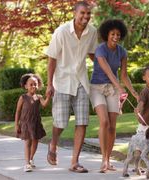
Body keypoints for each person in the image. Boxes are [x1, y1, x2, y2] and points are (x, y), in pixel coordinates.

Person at [45, 1, 98, 173]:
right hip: (61, 81)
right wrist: (48, 85)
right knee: (60, 123)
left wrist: (106, 65)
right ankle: (53, 143)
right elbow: (52, 58)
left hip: (81, 80)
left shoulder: (92, 32)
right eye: (82, 13)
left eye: (88, 14)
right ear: (75, 13)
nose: (86, 17)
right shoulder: (61, 32)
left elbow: (92, 53)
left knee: (82, 122)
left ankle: (74, 162)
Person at [90, 19, 139, 173]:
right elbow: (108, 71)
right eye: (113, 34)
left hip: (112, 89)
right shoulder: (100, 50)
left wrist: (134, 93)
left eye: (118, 34)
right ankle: (103, 160)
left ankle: (108, 159)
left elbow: (123, 75)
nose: (116, 36)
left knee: (112, 126)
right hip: (97, 87)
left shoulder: (122, 52)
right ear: (107, 34)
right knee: (104, 121)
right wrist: (119, 87)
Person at [15, 73, 50, 172]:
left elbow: (44, 105)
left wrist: (48, 96)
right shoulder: (23, 98)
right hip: (25, 123)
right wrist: (16, 124)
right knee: (27, 142)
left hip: (36, 123)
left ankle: (30, 159)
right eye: (31, 84)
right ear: (26, 86)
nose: (33, 86)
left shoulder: (38, 97)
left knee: (35, 142)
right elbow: (17, 111)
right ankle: (27, 164)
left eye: (35, 84)